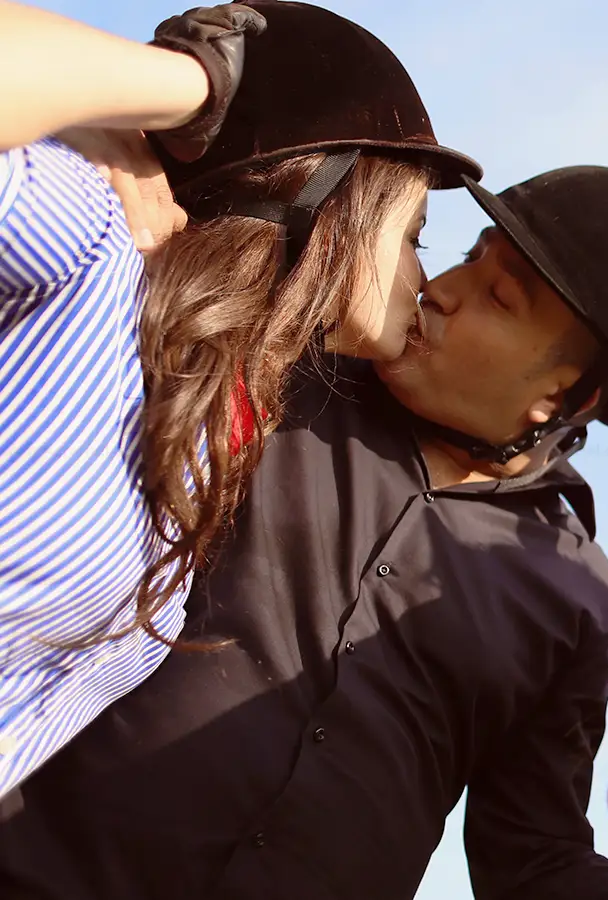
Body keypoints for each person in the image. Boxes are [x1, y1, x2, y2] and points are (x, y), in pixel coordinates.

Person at [0, 161, 608, 899]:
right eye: (470, 256)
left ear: (568, 394)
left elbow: (534, 858)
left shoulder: (580, 599)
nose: (441, 291)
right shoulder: (280, 366)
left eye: (498, 298)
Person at [0, 0, 480, 798]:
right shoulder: (89, 243)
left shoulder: (203, 436)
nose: (424, 280)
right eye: (415, 234)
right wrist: (188, 86)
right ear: (329, 194)